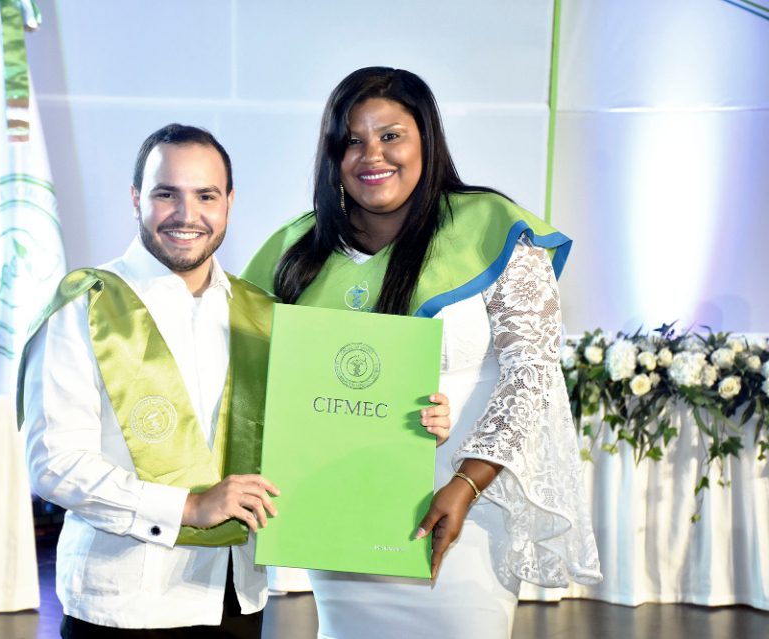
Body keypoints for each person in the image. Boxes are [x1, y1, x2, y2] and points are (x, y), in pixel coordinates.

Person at [242, 67, 602, 639]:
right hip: (341, 509)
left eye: (391, 136)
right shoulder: (298, 250)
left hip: (464, 504)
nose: (372, 155)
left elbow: (531, 375)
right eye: (352, 140)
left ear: (426, 140)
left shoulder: (491, 228)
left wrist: (466, 484)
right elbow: (261, 381)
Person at [19, 124, 280, 638]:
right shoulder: (85, 307)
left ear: (229, 202)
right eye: (166, 194)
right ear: (137, 198)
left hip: (235, 598)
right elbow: (54, 463)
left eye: (206, 195)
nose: (187, 214)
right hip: (123, 604)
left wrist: (415, 419)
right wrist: (188, 507)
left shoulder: (260, 313)